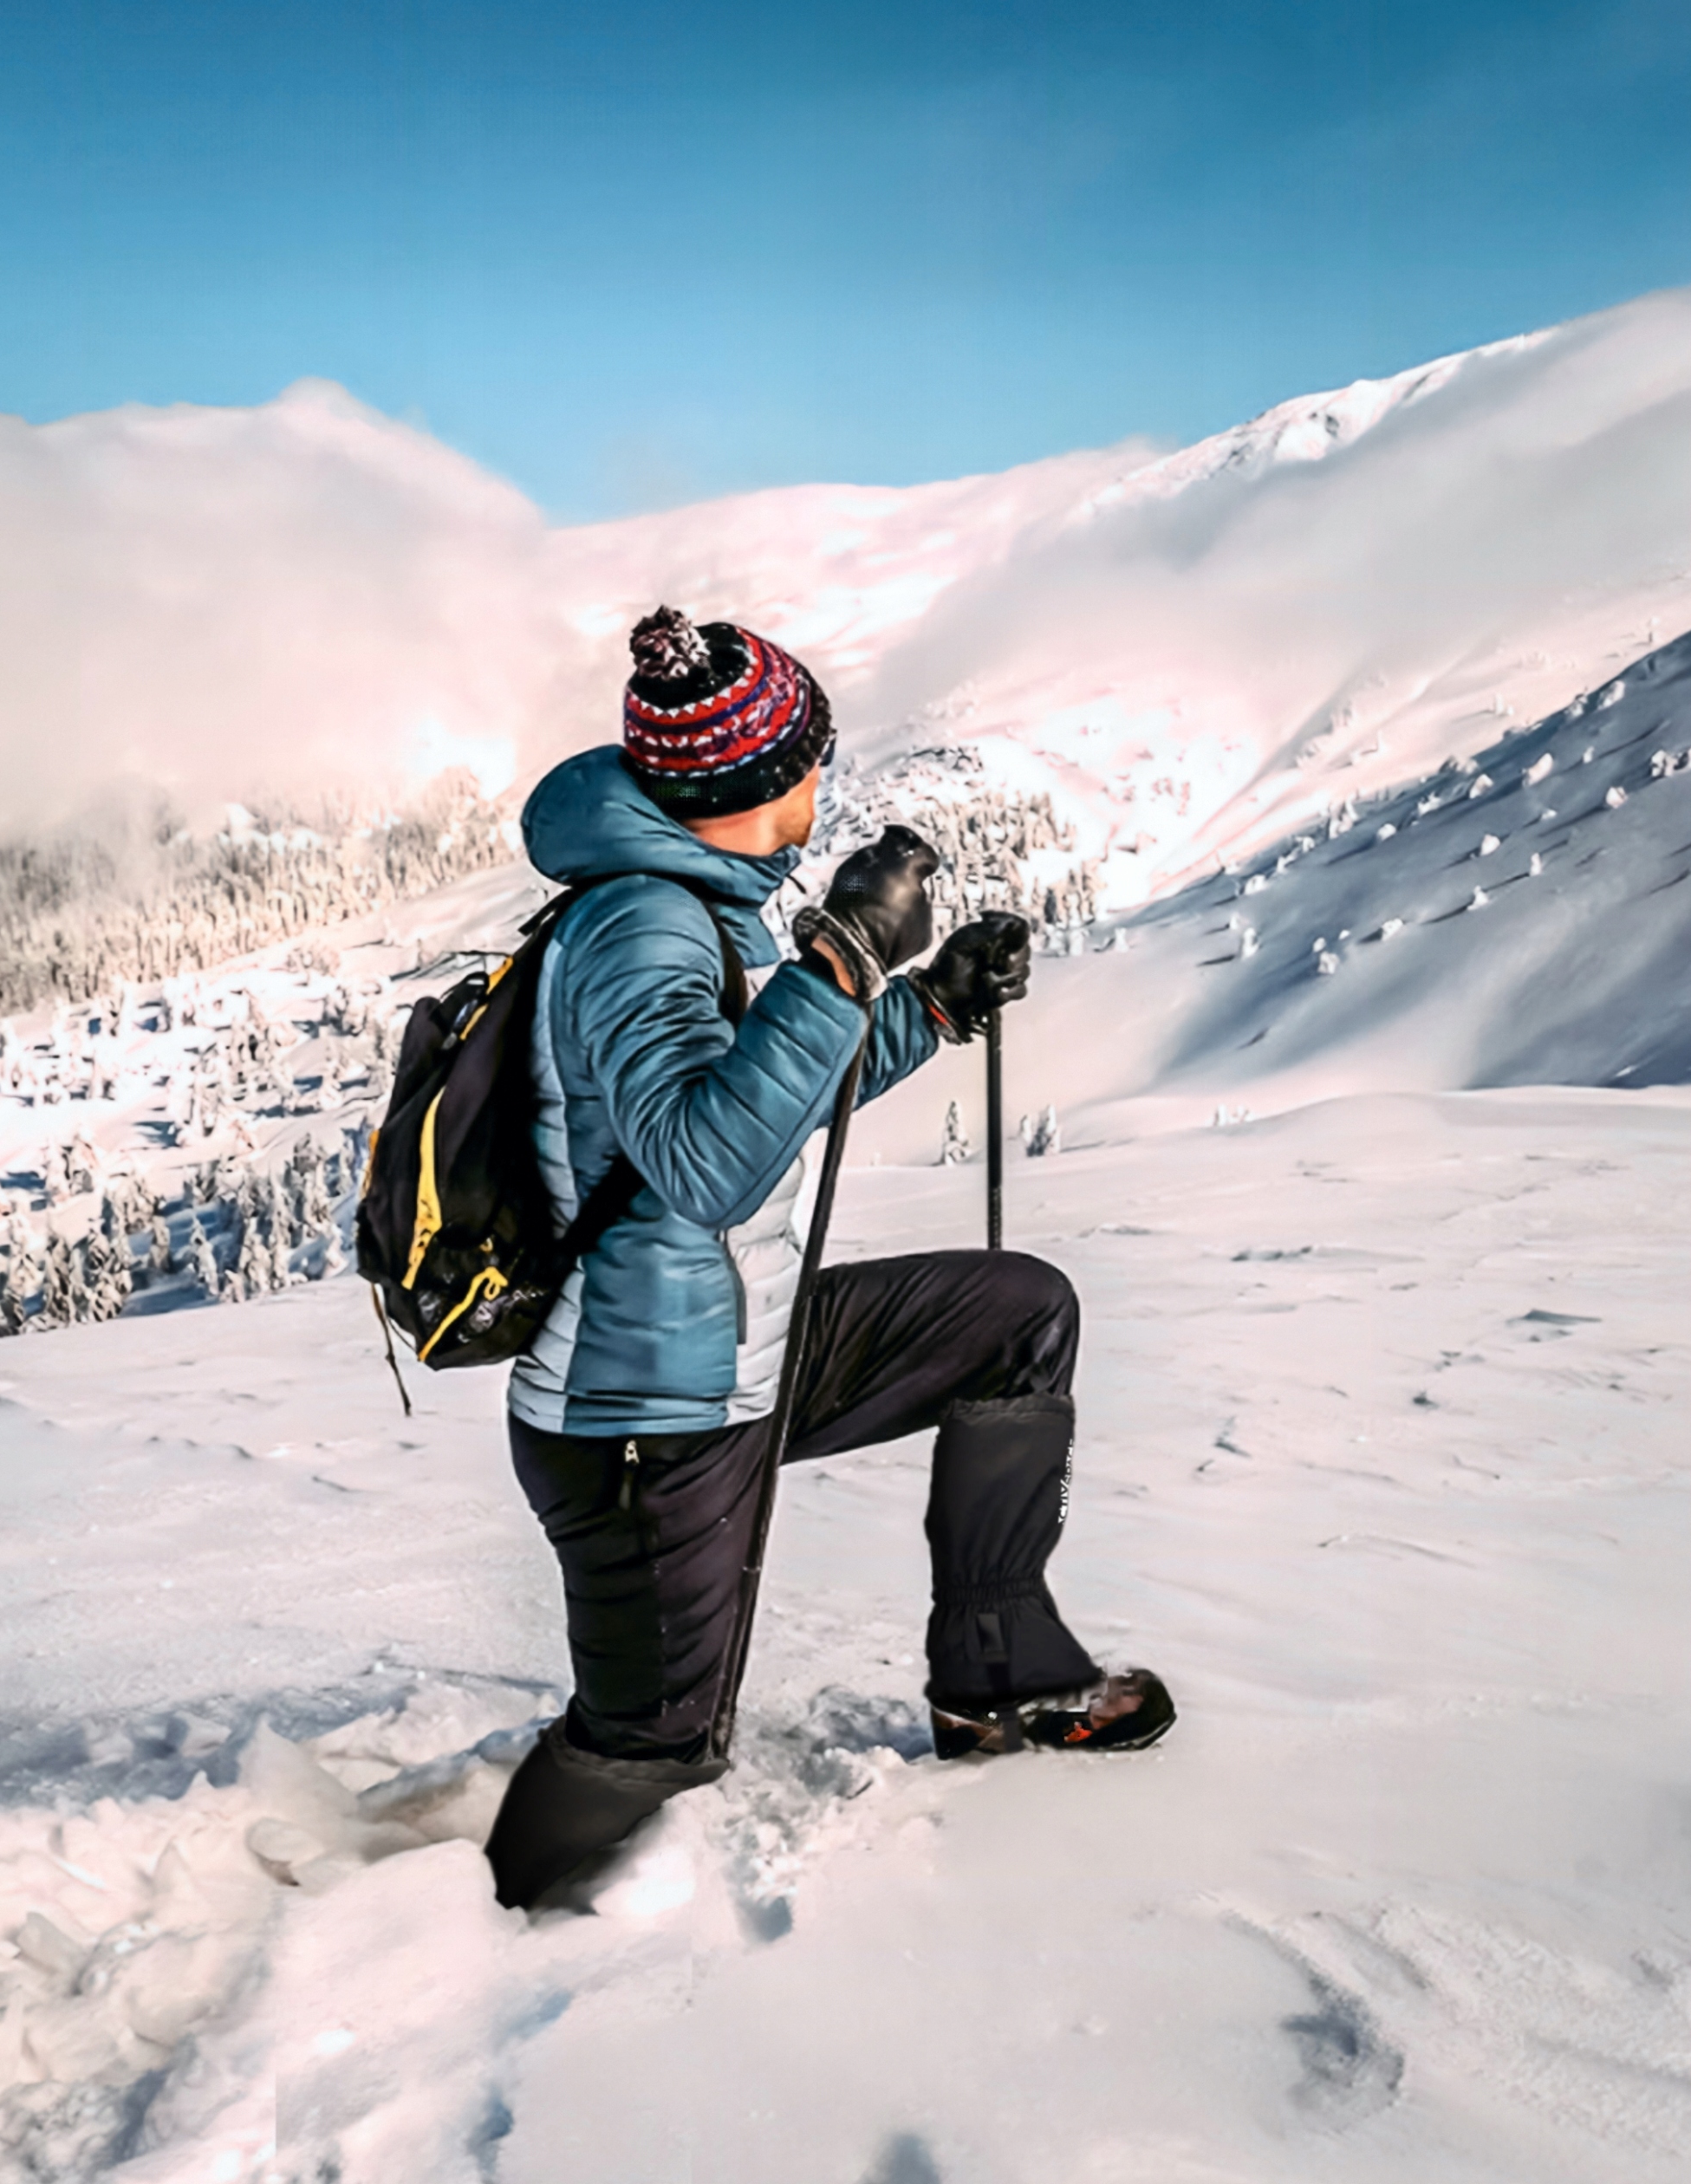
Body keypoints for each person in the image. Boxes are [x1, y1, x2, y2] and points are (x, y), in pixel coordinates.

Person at [483, 607, 1174, 1910]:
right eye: (815, 755)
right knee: (655, 1748)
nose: (825, 779)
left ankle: (998, 1676)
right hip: (643, 1420)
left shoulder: (699, 906)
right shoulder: (641, 929)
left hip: (741, 1348)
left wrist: (928, 1003)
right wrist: (844, 963)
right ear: (766, 779)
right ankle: (453, 1936)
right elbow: (705, 1166)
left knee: (1016, 1315)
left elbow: (766, 1089)